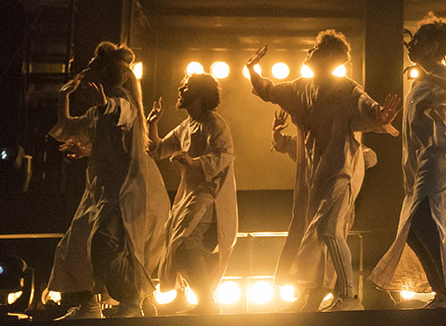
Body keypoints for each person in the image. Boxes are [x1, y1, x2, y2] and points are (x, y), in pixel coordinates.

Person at [246, 30, 401, 311]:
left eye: (316, 49)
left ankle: (348, 296)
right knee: (313, 231)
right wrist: (252, 69)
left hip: (342, 169)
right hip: (315, 173)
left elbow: (368, 108)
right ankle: (313, 296)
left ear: (330, 57)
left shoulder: (347, 88)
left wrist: (381, 117)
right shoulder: (301, 87)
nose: (309, 53)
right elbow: (268, 91)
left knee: (329, 229)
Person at [48, 42, 170, 319]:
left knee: (105, 245)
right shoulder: (96, 111)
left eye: (91, 69)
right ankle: (88, 305)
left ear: (103, 74)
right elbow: (70, 127)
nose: (85, 73)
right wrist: (64, 96)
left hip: (122, 190)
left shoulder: (122, 100)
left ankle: (131, 302)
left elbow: (119, 112)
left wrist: (105, 103)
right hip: (99, 189)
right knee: (74, 245)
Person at [368, 15, 446, 309]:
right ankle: (443, 291)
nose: (412, 45)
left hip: (442, 154)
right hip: (423, 158)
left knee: (424, 219)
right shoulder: (420, 80)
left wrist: (429, 74)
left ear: (435, 47)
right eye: (412, 40)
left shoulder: (443, 73)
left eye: (419, 40)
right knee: (412, 230)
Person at [146, 73, 238, 314]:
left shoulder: (215, 125)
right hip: (190, 195)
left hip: (209, 196)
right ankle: (198, 299)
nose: (180, 90)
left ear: (201, 94)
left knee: (186, 242)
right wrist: (152, 124)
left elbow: (224, 156)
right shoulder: (185, 126)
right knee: (179, 245)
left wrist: (193, 161)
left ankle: (206, 303)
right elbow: (157, 150)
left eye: (186, 87)